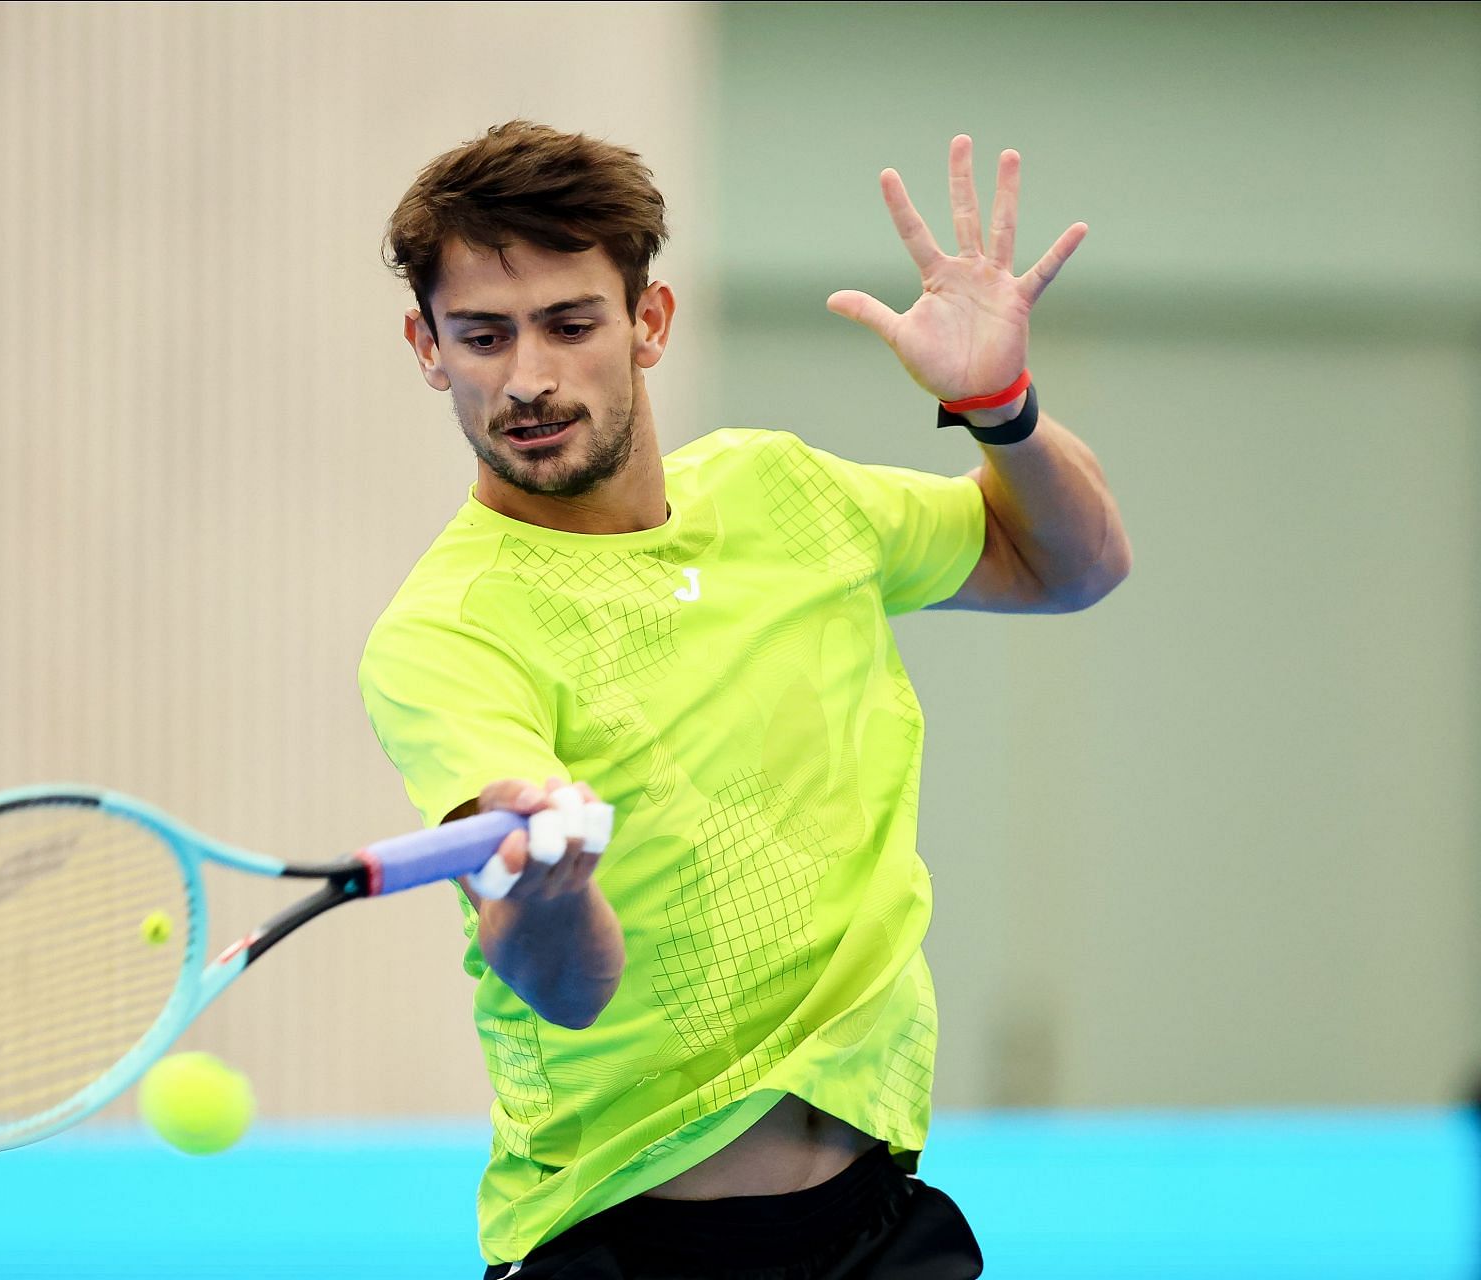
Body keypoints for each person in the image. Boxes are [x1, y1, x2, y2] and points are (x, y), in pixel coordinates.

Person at [358, 122, 1130, 1280]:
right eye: (483, 335)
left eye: (571, 323)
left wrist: (1001, 404)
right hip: (625, 1241)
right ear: (428, 346)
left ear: (649, 323)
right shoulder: (447, 631)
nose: (528, 377)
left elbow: (1071, 564)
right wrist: (555, 892)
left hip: (881, 1218)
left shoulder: (784, 492)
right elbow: (568, 987)